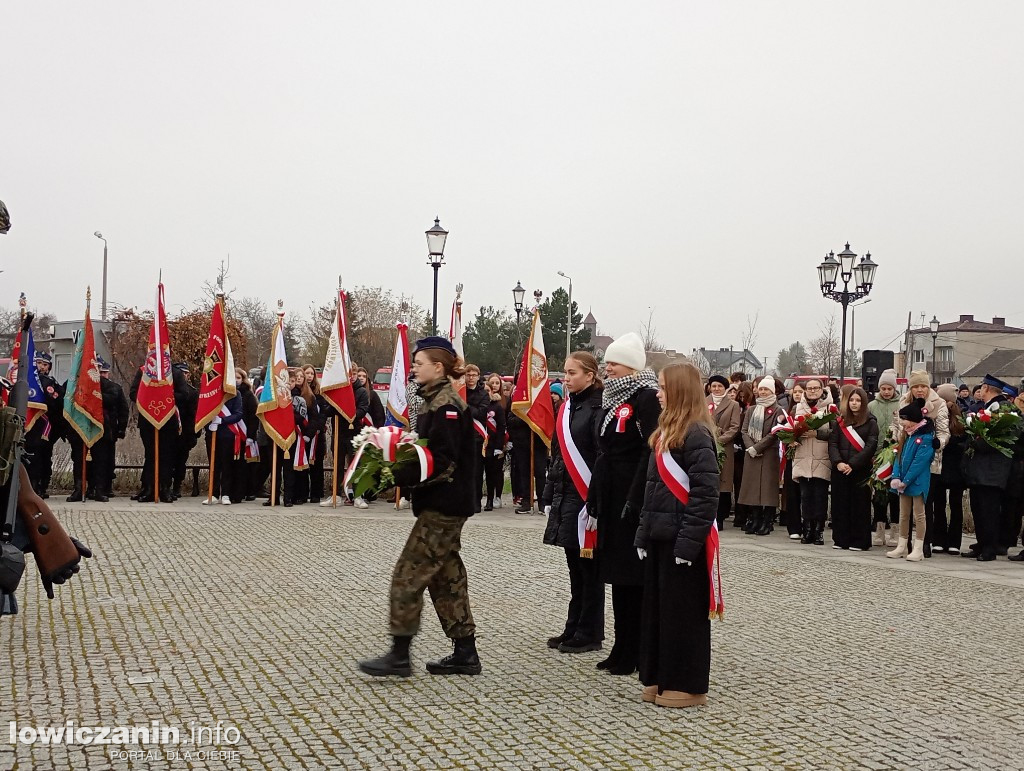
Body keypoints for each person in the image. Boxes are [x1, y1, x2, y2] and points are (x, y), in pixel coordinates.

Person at [358, 336, 481, 678]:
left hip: (445, 505)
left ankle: (399, 656)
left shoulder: (447, 405)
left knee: (407, 576)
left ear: (438, 367)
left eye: (419, 363)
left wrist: (396, 472)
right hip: (440, 503)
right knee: (446, 577)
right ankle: (465, 652)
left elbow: (442, 461)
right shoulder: (433, 400)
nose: (413, 368)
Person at [634, 362, 719, 708]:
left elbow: (705, 494)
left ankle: (686, 682)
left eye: (664, 387)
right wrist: (642, 534)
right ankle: (658, 676)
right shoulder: (664, 431)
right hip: (659, 535)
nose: (658, 392)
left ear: (680, 391)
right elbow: (651, 492)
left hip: (682, 540)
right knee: (658, 612)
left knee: (682, 615)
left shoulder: (697, 434)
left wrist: (688, 543)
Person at [592, 333, 660, 675]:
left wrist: (635, 496)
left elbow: (650, 449)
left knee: (632, 577)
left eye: (614, 363)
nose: (608, 368)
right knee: (617, 576)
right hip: (611, 491)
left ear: (631, 366)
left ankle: (635, 649)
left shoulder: (646, 397)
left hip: (631, 496)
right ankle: (621, 646)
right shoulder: (611, 398)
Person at [543, 351, 605, 655]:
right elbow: (557, 456)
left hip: (586, 500)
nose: (565, 378)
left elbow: (601, 457)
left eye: (572, 373)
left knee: (589, 570)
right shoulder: (568, 408)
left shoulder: (598, 408)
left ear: (590, 376)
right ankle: (574, 625)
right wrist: (547, 494)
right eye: (565, 372)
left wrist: (595, 501)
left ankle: (590, 631)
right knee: (575, 569)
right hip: (566, 496)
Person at [962, 375, 1016, 561]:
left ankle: (990, 548)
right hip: (980, 469)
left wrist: (980, 443)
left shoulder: (1005, 409)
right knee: (978, 507)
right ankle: (981, 542)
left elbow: (1008, 439)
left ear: (986, 388)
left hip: (993, 470)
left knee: (989, 509)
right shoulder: (987, 407)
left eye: (982, 388)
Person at [899, 371, 950, 556]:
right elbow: (899, 427)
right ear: (911, 388)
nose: (919, 390)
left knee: (924, 504)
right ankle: (905, 542)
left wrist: (939, 443)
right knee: (906, 505)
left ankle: (924, 542)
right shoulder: (904, 401)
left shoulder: (939, 404)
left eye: (923, 386)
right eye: (916, 386)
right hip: (906, 457)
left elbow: (944, 431)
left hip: (928, 459)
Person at [828, 387, 878, 550]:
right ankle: (841, 539)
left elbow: (870, 446)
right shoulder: (840, 421)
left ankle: (859, 540)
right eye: (851, 400)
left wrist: (853, 464)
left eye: (858, 401)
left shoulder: (871, 422)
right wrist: (838, 462)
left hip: (860, 470)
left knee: (859, 505)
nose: (854, 403)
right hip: (840, 468)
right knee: (840, 504)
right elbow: (833, 443)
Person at [886, 398, 936, 562]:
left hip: (917, 481)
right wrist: (896, 476)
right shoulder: (906, 436)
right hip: (903, 481)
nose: (903, 423)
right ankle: (902, 545)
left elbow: (919, 462)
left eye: (905, 420)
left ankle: (918, 548)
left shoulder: (925, 438)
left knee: (919, 514)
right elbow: (898, 457)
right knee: (903, 514)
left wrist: (905, 480)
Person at [738, 376, 786, 536]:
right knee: (752, 488)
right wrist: (750, 447)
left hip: (768, 453)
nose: (763, 392)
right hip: (751, 454)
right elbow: (744, 430)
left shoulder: (778, 410)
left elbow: (775, 432)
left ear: (773, 391)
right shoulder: (752, 409)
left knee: (767, 488)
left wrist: (758, 447)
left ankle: (767, 521)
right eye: (761, 389)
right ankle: (755, 518)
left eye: (766, 389)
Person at [792, 378, 834, 545]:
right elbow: (792, 427)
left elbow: (834, 433)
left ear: (822, 389)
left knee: (820, 496)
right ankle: (807, 529)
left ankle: (818, 530)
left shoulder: (830, 408)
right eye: (809, 388)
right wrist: (792, 438)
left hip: (821, 456)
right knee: (805, 496)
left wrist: (817, 434)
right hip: (802, 456)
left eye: (816, 388)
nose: (812, 391)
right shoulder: (798, 407)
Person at [929, 386, 966, 555]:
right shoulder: (935, 416)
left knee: (954, 505)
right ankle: (941, 540)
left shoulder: (961, 420)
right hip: (941, 467)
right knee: (941, 505)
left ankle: (951, 542)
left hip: (955, 468)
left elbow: (965, 443)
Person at [23, 351, 64, 499]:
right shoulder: (26, 381)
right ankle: (29, 486)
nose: (41, 367)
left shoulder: (50, 382)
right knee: (30, 457)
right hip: (29, 426)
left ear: (49, 367)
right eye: (39, 363)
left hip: (46, 427)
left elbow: (58, 403)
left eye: (45, 364)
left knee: (44, 457)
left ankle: (41, 485)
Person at [868, 369, 902, 546]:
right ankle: (879, 528)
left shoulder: (902, 404)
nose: (887, 392)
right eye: (884, 388)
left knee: (894, 493)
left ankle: (895, 530)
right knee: (879, 494)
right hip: (878, 456)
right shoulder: (872, 406)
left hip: (896, 455)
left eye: (890, 388)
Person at [706, 375, 741, 529]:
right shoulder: (703, 402)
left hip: (724, 447)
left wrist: (719, 440)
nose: (716, 389)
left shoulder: (732, 405)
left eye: (719, 386)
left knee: (723, 482)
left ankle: (720, 518)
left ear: (725, 388)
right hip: (706, 445)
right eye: (713, 386)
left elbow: (735, 427)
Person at [203, 376, 243, 505]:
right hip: (212, 433)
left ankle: (226, 494)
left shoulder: (235, 394)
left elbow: (238, 414)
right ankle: (213, 493)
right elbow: (203, 410)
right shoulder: (210, 393)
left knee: (227, 465)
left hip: (227, 434)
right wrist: (208, 422)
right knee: (214, 464)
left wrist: (223, 420)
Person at [93, 358, 128, 501]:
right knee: (88, 461)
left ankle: (104, 488)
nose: (102, 375)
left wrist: (121, 429)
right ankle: (86, 488)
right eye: (99, 372)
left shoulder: (113, 387)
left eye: (104, 372)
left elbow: (122, 409)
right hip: (88, 429)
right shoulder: (84, 385)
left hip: (107, 430)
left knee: (105, 461)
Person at [463, 364, 490, 514]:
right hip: (462, 437)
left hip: (476, 438)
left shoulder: (483, 394)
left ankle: (476, 502)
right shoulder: (460, 392)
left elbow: (481, 413)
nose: (471, 378)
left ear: (478, 377)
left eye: (474, 375)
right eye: (468, 375)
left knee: (476, 472)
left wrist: (466, 406)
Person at [169, 362, 198, 501]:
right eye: (182, 373)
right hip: (170, 431)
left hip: (185, 433)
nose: (184, 376)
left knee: (181, 462)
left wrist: (194, 433)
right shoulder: (169, 390)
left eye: (186, 374)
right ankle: (166, 485)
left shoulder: (192, 392)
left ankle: (177, 486)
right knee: (169, 460)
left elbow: (194, 415)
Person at [233, 368, 261, 502]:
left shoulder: (249, 395)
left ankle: (248, 491)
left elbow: (253, 417)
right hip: (233, 434)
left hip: (246, 435)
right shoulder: (229, 393)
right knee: (235, 465)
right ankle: (235, 491)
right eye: (234, 378)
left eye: (238, 378)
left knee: (246, 466)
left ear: (243, 379)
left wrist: (250, 436)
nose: (236, 380)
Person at [781, 382, 804, 539]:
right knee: (792, 492)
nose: (797, 394)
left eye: (801, 391)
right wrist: (788, 439)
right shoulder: (788, 412)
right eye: (795, 392)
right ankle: (793, 526)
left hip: (807, 455)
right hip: (791, 455)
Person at [731, 381, 755, 529]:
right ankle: (740, 514)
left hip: (749, 448)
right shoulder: (736, 408)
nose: (741, 398)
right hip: (737, 449)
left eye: (743, 395)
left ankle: (748, 514)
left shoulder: (752, 408)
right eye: (739, 395)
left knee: (748, 484)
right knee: (738, 483)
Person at [483, 373, 507, 510]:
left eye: (488, 391)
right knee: (483, 472)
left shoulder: (497, 407)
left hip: (493, 445)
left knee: (493, 472)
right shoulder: (481, 406)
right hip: (482, 444)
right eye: (484, 391)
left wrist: (499, 446)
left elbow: (501, 427)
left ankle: (491, 499)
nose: (486, 393)